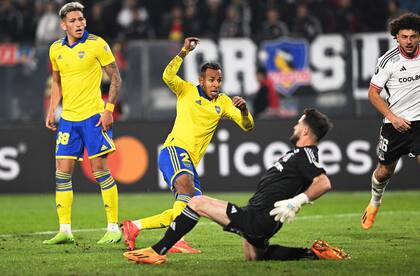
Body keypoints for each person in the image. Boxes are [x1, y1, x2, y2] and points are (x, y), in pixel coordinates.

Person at [123, 108, 351, 265]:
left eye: (298, 123)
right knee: (254, 258)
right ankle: (313, 254)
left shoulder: (306, 155)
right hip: (261, 219)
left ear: (305, 131)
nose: (294, 125)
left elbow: (323, 182)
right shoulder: (299, 154)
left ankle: (157, 251)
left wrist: (296, 202)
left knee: (196, 201)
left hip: (258, 218)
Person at [121, 37, 254, 253]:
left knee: (192, 206)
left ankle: (134, 226)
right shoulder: (187, 90)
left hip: (190, 161)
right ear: (201, 80)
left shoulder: (224, 103)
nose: (216, 84)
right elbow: (167, 76)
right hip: (174, 150)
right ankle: (176, 240)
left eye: (219, 80)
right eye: (211, 80)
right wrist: (183, 51)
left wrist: (245, 111)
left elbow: (248, 126)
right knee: (187, 194)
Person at [43, 2, 122, 245]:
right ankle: (65, 230)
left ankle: (113, 227)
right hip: (68, 119)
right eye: (74, 21)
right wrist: (52, 109)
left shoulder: (97, 44)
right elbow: (57, 81)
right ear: (63, 25)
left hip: (93, 118)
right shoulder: (55, 49)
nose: (79, 24)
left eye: (81, 19)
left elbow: (116, 78)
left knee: (100, 171)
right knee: (62, 173)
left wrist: (109, 110)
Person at [361, 12, 420, 230]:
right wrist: (393, 118)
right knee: (385, 171)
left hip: (419, 123)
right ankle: (375, 202)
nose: (409, 41)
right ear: (397, 37)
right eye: (404, 36)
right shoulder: (388, 61)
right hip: (395, 124)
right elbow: (373, 94)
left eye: (413, 36)